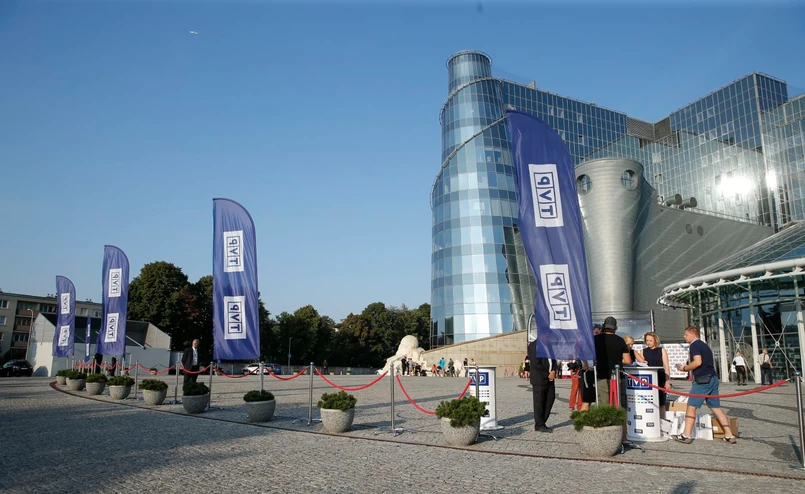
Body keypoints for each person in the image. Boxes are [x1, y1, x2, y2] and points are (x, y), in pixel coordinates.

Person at [674, 326, 737, 444]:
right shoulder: (704, 345)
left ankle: (686, 435)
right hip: (713, 378)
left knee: (691, 406)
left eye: (686, 335)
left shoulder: (694, 345)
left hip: (703, 380)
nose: (684, 337)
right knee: (716, 407)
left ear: (693, 334)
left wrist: (684, 368)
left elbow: (698, 362)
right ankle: (729, 435)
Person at [594, 316, 631, 407]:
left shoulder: (595, 339)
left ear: (604, 326)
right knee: (619, 403)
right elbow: (627, 360)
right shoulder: (620, 340)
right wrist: (617, 360)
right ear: (615, 328)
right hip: (617, 375)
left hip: (602, 374)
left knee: (604, 404)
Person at [634, 332, 671, 409]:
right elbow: (641, 365)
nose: (648, 342)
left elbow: (666, 366)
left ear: (655, 340)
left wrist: (667, 381)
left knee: (661, 400)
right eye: (647, 340)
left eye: (650, 341)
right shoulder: (643, 351)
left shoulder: (662, 350)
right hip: (649, 378)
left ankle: (661, 415)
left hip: (660, 376)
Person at [528, 335, 557, 433]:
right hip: (539, 378)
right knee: (539, 402)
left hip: (550, 378)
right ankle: (539, 425)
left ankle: (542, 421)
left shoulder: (549, 345)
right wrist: (548, 374)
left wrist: (554, 370)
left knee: (550, 398)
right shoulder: (533, 345)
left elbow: (554, 360)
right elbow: (536, 364)